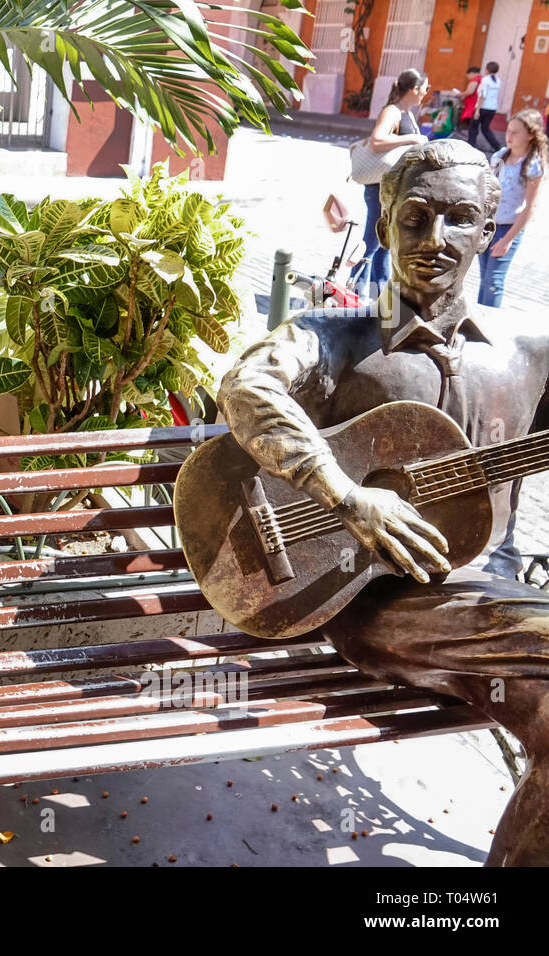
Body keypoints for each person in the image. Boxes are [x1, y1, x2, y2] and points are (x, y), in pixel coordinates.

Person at [217, 139, 549, 866]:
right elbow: (247, 387)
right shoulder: (336, 337)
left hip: (485, 607)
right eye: (415, 218)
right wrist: (345, 494)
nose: (435, 241)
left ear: (489, 233)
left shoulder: (529, 351)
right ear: (382, 223)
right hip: (364, 601)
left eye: (460, 220)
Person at [360, 69, 429, 297]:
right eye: (425, 88)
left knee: (383, 244)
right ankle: (355, 290)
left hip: (391, 189)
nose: (426, 93)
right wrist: (413, 139)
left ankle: (377, 295)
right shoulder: (393, 111)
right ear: (415, 88)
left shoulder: (406, 113)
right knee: (371, 244)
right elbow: (376, 141)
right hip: (379, 188)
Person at [477, 108, 545, 307]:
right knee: (484, 278)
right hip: (488, 226)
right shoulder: (499, 156)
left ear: (531, 135)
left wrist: (507, 240)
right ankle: (479, 321)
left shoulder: (532, 165)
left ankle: (489, 324)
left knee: (494, 282)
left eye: (516, 132)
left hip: (507, 229)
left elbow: (529, 208)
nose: (509, 136)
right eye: (508, 131)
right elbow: (487, 189)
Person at [468, 61, 501, 152]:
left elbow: (483, 95)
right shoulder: (498, 81)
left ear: (487, 69)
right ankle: (497, 146)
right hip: (492, 108)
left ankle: (470, 147)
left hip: (482, 107)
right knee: (485, 128)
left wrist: (477, 110)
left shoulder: (485, 80)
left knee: (473, 128)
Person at [457, 65, 481, 135]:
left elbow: (470, 91)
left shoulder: (475, 79)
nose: (468, 78)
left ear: (471, 73)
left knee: (469, 121)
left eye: (468, 76)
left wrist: (460, 94)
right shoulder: (482, 79)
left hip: (472, 103)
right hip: (477, 103)